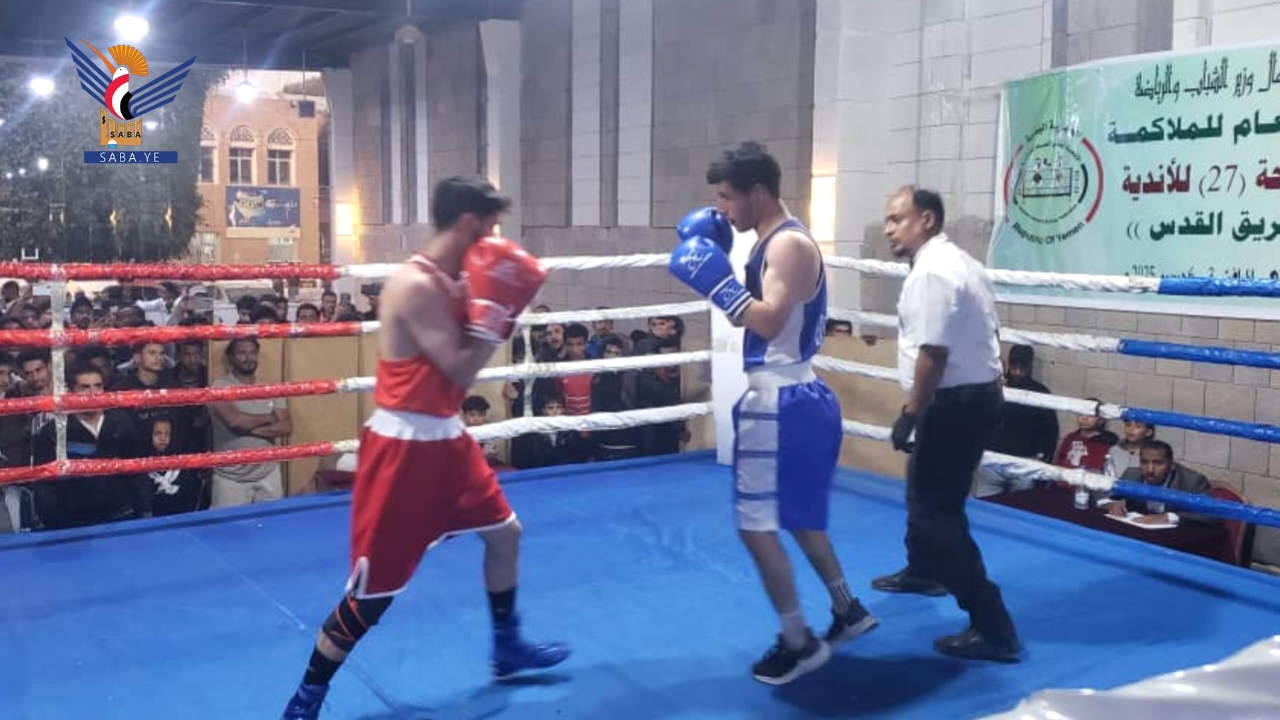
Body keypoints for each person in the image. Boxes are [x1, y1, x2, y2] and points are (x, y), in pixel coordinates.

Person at [281, 176, 570, 719]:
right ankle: (305, 698)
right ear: (468, 222)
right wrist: (497, 317)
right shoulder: (415, 285)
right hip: (406, 448)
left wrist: (496, 311)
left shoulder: (461, 279)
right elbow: (459, 371)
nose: (495, 236)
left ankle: (507, 647)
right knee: (373, 595)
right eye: (491, 225)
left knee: (505, 534)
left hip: (446, 436)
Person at [668, 141, 877, 685]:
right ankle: (848, 609)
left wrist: (717, 283)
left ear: (757, 191)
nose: (721, 210)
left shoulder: (785, 245)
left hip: (779, 400)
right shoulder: (779, 241)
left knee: (756, 526)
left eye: (726, 197)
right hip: (797, 395)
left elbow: (766, 321)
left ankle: (798, 642)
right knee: (800, 516)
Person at [877, 186, 1021, 662]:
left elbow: (934, 353)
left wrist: (911, 412)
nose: (889, 229)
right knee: (924, 491)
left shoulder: (932, 273)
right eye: (887, 219)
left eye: (898, 218)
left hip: (954, 402)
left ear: (927, 220)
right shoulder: (959, 261)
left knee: (936, 515)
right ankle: (924, 570)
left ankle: (993, 626)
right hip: (970, 397)